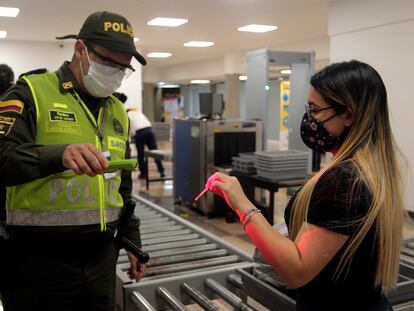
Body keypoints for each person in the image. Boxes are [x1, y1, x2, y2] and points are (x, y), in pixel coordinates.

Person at [206, 60, 403, 310]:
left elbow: (297, 270)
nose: (308, 118)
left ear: (348, 115)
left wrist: (242, 204)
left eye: (315, 109)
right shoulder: (371, 167)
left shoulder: (344, 180)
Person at [0, 11, 147, 311]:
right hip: (36, 263)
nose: (115, 73)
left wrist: (132, 239)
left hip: (101, 259)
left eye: (123, 68)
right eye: (107, 62)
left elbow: (123, 186)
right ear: (80, 49)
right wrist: (58, 155)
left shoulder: (118, 112)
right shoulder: (31, 93)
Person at [126, 105, 165, 179]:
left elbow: (129, 129)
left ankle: (143, 174)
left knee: (140, 155)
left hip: (140, 134)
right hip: (149, 131)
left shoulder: (127, 115)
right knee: (155, 152)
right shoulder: (138, 112)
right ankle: (161, 171)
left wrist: (131, 138)